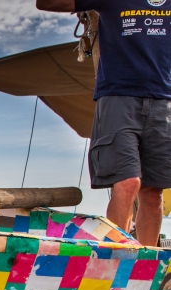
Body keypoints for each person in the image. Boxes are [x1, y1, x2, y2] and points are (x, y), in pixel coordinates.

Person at [37, 0, 171, 246]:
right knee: (128, 182)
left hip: (164, 100)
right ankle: (115, 262)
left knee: (153, 193)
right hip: (118, 96)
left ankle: (146, 273)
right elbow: (46, 3)